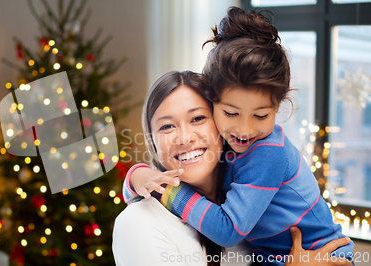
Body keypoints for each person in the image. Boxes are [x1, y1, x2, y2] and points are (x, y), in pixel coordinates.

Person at [121, 7, 354, 265]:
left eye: (260, 116)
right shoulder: (228, 157)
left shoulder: (267, 153)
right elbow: (136, 194)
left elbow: (227, 230)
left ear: (278, 108)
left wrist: (166, 190)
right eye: (231, 113)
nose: (244, 130)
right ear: (214, 102)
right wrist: (138, 177)